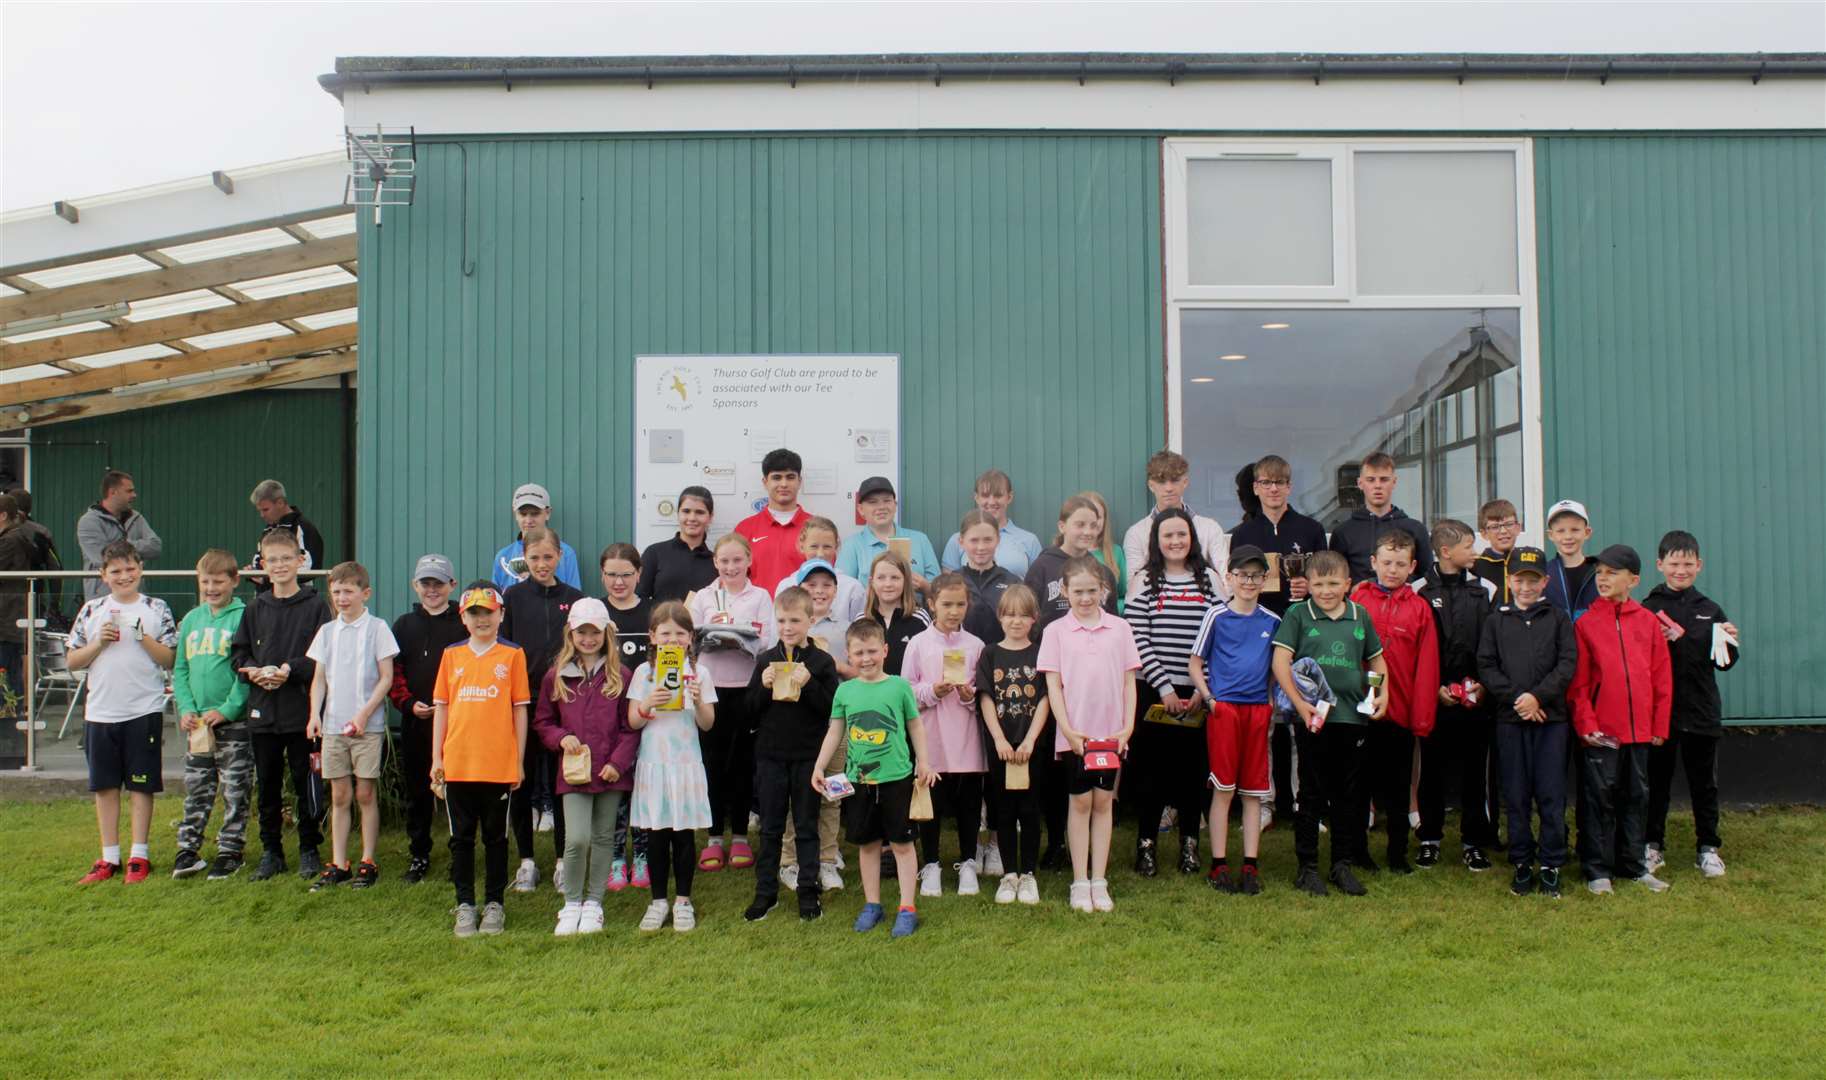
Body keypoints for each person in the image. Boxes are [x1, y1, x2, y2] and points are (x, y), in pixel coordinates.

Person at [1271, 550, 1388, 897]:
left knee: (1347, 795)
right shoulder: (1297, 614)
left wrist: (1379, 695)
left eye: (1333, 583)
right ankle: (1306, 867)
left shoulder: (1359, 615)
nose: (1325, 591)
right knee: (1311, 792)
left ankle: (1342, 864)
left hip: (1352, 718)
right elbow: (1280, 662)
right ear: (1308, 585)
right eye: (1318, 584)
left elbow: (1376, 661)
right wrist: (1299, 703)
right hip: (1314, 719)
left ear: (1347, 584)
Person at [813, 618, 934, 938]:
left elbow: (915, 726)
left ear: (885, 650)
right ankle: (872, 905)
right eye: (858, 653)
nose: (865, 659)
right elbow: (835, 731)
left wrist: (924, 761)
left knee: (902, 844)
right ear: (848, 655)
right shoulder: (846, 691)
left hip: (896, 779)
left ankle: (907, 907)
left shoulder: (899, 686)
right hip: (859, 782)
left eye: (871, 651)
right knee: (867, 845)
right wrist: (819, 766)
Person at [67, 539, 177, 884]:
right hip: (100, 711)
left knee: (141, 785)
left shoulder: (157, 608)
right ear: (103, 574)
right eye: (116, 571)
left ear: (141, 570)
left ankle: (138, 856)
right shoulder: (92, 610)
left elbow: (171, 659)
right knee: (105, 786)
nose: (124, 576)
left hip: (143, 709)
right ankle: (108, 857)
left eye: (131, 569)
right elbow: (72, 661)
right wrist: (98, 642)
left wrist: (143, 638)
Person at [1228, 454, 1328, 829]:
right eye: (1266, 483)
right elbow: (1238, 583)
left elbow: (1327, 582)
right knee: (1264, 719)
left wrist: (1309, 588)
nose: (1273, 489)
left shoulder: (1311, 528)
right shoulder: (1243, 533)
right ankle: (1264, 800)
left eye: (1280, 482)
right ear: (1256, 488)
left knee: (1305, 716)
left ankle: (1307, 802)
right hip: (1260, 632)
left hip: (1302, 632)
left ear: (1289, 486)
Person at [1569, 545, 1674, 896]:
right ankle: (1597, 870)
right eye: (1600, 573)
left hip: (1640, 732)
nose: (1603, 579)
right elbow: (1580, 684)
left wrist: (1659, 727)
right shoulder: (1585, 624)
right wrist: (1586, 725)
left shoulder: (1647, 621)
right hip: (1602, 733)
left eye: (1612, 573)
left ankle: (1633, 866)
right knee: (1599, 798)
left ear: (1634, 580)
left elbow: (1661, 678)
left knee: (1636, 798)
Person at [1039, 555, 1142, 914]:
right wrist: (1067, 730)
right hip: (1076, 735)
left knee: (1103, 802)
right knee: (1080, 802)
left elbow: (1130, 681)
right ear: (1065, 591)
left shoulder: (1121, 629)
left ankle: (1100, 879)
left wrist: (1127, 727)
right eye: (1078, 591)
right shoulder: (1055, 632)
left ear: (1104, 590)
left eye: (1092, 591)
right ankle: (1079, 880)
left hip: (1112, 734)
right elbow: (1053, 685)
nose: (1085, 598)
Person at [1124, 508, 1224, 879]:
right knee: (1151, 772)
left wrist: (1203, 686)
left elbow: (1219, 635)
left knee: (1192, 771)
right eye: (1168, 535)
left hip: (1199, 691)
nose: (1176, 541)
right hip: (1154, 689)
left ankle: (1189, 844)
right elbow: (1138, 637)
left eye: (1182, 534)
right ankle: (1146, 845)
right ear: (1157, 541)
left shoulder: (1210, 579)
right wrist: (1164, 687)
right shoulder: (1144, 580)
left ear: (1192, 538)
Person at [532, 598, 639, 936]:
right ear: (571, 633)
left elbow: (630, 728)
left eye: (595, 632)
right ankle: (572, 903)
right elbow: (543, 721)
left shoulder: (621, 675)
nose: (589, 639)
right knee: (577, 839)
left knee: (605, 837)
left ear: (606, 633)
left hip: (610, 772)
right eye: (582, 632)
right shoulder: (557, 676)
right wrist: (560, 739)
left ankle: (595, 903)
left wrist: (618, 764)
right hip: (574, 772)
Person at [1476, 546, 1578, 898]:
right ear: (1509, 580)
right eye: (1520, 579)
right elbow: (1487, 665)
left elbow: (1567, 664)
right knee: (1516, 794)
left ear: (1545, 582)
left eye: (1533, 581)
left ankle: (1550, 863)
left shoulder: (1559, 619)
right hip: (1511, 720)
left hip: (1551, 720)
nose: (1526, 587)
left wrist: (1539, 697)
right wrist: (1520, 699)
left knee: (1550, 794)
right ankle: (1521, 862)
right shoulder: (1497, 620)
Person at [230, 527, 331, 882]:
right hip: (263, 711)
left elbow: (323, 656)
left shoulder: (316, 606)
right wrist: (253, 672)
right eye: (272, 560)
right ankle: (271, 851)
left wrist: (291, 669)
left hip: (302, 712)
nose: (280, 565)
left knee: (306, 783)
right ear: (262, 564)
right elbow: (239, 654)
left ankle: (309, 848)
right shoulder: (255, 608)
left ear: (301, 560)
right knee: (268, 784)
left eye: (286, 558)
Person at [432, 583, 532, 937]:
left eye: (488, 613)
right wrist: (436, 758)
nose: (481, 620)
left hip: (498, 764)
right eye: (474, 613)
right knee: (461, 839)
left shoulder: (512, 655)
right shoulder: (452, 655)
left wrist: (518, 760)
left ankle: (494, 905)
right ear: (463, 617)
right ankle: (464, 904)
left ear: (501, 615)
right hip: (458, 762)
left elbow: (520, 711)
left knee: (495, 838)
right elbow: (442, 709)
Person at [1640, 530, 1740, 880]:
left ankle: (1708, 848)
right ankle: (1652, 846)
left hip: (1701, 711)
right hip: (1660, 714)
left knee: (1704, 784)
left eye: (1687, 564)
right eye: (1673, 563)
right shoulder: (1648, 608)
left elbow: (1724, 663)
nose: (1680, 570)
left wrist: (1729, 640)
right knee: (1656, 782)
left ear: (1699, 565)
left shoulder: (1710, 609)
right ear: (1660, 565)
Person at [743, 587, 840, 922]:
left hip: (807, 757)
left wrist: (810, 683)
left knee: (806, 825)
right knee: (770, 827)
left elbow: (831, 710)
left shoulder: (821, 662)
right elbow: (749, 712)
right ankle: (765, 893)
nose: (787, 626)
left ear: (810, 621)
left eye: (795, 620)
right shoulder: (764, 660)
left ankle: (807, 892)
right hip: (770, 756)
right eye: (782, 619)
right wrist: (763, 687)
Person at [1188, 545, 1281, 895]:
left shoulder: (1272, 622)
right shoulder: (1216, 616)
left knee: (1254, 791)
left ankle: (1250, 865)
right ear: (1229, 577)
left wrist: (1271, 700)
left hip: (1257, 711)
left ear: (1265, 579)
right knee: (1224, 787)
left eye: (1256, 575)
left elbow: (1278, 668)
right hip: (1225, 709)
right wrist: (1210, 698)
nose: (1249, 581)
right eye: (1242, 575)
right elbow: (1195, 662)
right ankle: (1219, 864)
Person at [304, 561, 399, 891]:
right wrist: (315, 714)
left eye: (348, 591)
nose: (342, 598)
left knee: (365, 792)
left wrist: (363, 714)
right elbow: (319, 679)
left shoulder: (377, 628)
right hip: (332, 728)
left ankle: (368, 860)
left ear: (364, 593)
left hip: (367, 727)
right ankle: (339, 861)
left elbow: (386, 678)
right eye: (336, 592)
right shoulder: (327, 632)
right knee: (340, 794)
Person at [686, 532, 778, 873]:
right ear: (715, 562)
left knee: (742, 763)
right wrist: (710, 639)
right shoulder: (704, 596)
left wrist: (743, 642)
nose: (730, 566)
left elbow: (767, 638)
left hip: (746, 687)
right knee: (712, 761)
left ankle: (739, 834)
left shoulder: (761, 596)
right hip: (710, 688)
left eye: (737, 560)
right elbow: (690, 638)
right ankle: (713, 837)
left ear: (749, 560)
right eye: (724, 561)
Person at [501, 527, 586, 893]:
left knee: (561, 782)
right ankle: (526, 861)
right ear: (525, 559)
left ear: (559, 557)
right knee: (520, 781)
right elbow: (505, 649)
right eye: (534, 558)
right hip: (522, 703)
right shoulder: (513, 598)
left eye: (548, 557)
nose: (541, 564)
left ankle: (563, 861)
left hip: (563, 703)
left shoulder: (575, 599)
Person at [1350, 531, 1440, 875]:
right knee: (1359, 786)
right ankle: (1357, 850)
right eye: (1386, 562)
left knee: (1399, 789)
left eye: (1401, 564)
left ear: (1413, 567)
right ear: (1373, 562)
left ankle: (1397, 853)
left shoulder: (1420, 610)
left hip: (1400, 713)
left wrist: (1421, 719)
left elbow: (1427, 668)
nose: (1392, 570)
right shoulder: (1358, 601)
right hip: (1360, 712)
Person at [627, 601, 719, 933]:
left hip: (685, 765)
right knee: (655, 834)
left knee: (682, 835)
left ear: (691, 637)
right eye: (665, 633)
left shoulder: (701, 673)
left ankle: (683, 900)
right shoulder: (643, 673)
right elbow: (633, 721)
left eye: (680, 633)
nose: (673, 639)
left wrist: (696, 700)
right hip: (654, 764)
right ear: (652, 637)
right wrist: (648, 704)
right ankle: (657, 901)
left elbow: (708, 724)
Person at [1416, 520, 1499, 872]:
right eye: (1469, 545)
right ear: (1446, 551)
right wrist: (1433, 688)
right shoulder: (1418, 589)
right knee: (1431, 771)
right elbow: (1418, 647)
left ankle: (1473, 842)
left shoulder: (1487, 588)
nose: (1475, 552)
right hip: (1433, 697)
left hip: (1476, 698)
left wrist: (1481, 683)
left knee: (1473, 772)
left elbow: (1494, 642)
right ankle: (1429, 839)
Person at [903, 573, 988, 898]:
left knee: (968, 804)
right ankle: (933, 864)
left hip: (966, 737)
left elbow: (983, 693)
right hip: (932, 737)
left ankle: (968, 862)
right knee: (932, 805)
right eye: (947, 604)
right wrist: (932, 690)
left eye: (960, 604)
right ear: (932, 605)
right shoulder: (919, 644)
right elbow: (907, 688)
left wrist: (969, 695)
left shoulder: (976, 645)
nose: (954, 611)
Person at [170, 549, 253, 880]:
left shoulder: (244, 617)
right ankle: (188, 849)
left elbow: (246, 670)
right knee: (197, 786)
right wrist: (187, 708)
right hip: (198, 723)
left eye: (218, 581)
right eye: (205, 582)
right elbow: (180, 670)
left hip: (233, 722)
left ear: (234, 581)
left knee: (235, 788)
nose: (211, 588)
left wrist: (229, 708)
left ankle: (230, 849)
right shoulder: (192, 619)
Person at [388, 554, 467, 885]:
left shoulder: (462, 623)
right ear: (415, 586)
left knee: (457, 792)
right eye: (425, 583)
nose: (432, 590)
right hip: (417, 720)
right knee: (418, 793)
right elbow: (394, 673)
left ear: (452, 585)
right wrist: (408, 704)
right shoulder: (404, 625)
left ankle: (458, 853)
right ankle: (419, 853)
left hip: (457, 723)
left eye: (438, 583)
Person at [779, 560, 854, 894]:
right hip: (800, 728)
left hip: (836, 722)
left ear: (836, 591)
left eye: (826, 584)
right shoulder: (787, 630)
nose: (819, 590)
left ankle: (827, 857)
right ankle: (790, 860)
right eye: (811, 584)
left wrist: (838, 666)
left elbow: (861, 669)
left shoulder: (847, 627)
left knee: (833, 794)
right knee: (798, 798)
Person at [977, 584, 1049, 905]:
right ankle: (1009, 875)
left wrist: (1031, 738)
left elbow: (1047, 697)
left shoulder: (1041, 653)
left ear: (1034, 618)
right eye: (1009, 614)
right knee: (1004, 810)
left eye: (1023, 615)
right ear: (1000, 617)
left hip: (1032, 746)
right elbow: (986, 697)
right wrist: (999, 739)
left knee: (1030, 810)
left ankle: (1029, 874)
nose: (1016, 621)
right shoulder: (990, 653)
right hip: (1001, 747)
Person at [598, 542, 652, 891]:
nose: (619, 582)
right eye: (612, 575)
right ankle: (616, 858)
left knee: (643, 790)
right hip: (606, 719)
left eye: (626, 575)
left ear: (639, 575)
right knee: (615, 790)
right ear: (602, 575)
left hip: (646, 716)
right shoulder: (594, 613)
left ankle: (643, 857)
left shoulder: (652, 612)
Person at [1120, 450, 1231, 585]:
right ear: (1151, 485)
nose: (1168, 488)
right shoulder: (1136, 533)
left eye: (1174, 480)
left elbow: (1227, 578)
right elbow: (1134, 584)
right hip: (1156, 603)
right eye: (1161, 481)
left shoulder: (1210, 528)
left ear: (1185, 482)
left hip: (1204, 602)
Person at [1326, 452, 1432, 583]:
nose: (1377, 486)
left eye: (1384, 479)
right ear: (1360, 483)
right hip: (1359, 602)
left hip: (1404, 601)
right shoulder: (1343, 532)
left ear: (1394, 482)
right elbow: (1335, 579)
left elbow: (1427, 577)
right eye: (1371, 480)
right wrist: (1353, 590)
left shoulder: (1416, 529)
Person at [1026, 495, 1119, 633]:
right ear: (1062, 526)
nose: (1087, 532)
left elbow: (1112, 621)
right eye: (1080, 525)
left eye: (1093, 525)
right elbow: (1027, 618)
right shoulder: (1041, 568)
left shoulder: (1103, 573)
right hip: (1053, 651)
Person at [836, 476, 941, 591]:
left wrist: (924, 585)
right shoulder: (852, 545)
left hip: (915, 608)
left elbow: (939, 591)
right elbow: (843, 592)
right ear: (861, 509)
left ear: (895, 505)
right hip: (869, 609)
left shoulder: (920, 539)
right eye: (873, 502)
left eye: (887, 501)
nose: (881, 507)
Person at [733, 448, 811, 593]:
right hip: (756, 614)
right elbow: (733, 578)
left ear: (799, 481)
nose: (784, 484)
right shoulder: (745, 528)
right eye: (776, 477)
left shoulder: (815, 527)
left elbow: (826, 577)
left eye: (790, 477)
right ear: (765, 482)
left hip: (802, 614)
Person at [940, 468, 1043, 576]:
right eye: (985, 496)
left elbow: (1037, 587)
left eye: (998, 496)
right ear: (976, 498)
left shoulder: (1029, 541)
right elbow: (949, 587)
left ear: (1009, 497)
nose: (991, 502)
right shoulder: (958, 541)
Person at [77, 470, 162, 600]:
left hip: (136, 597)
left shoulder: (136, 517)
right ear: (113, 492)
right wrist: (133, 551)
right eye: (129, 491)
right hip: (101, 599)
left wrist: (122, 546)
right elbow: (101, 558)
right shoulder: (88, 521)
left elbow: (155, 547)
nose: (134, 495)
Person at [775, 515, 867, 623]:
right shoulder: (786, 586)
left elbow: (861, 632)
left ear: (836, 547)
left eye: (827, 547)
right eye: (814, 546)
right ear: (801, 546)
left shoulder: (853, 588)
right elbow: (776, 632)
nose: (820, 554)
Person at [490, 483, 583, 591]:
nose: (529, 521)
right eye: (523, 514)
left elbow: (575, 600)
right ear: (515, 514)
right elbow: (495, 601)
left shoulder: (566, 553)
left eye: (535, 514)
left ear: (547, 513)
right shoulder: (503, 557)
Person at [636, 486, 717, 603]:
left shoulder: (716, 562)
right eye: (686, 511)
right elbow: (639, 599)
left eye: (700, 512)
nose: (692, 518)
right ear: (678, 513)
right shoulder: (654, 553)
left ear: (710, 517)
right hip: (660, 622)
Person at [955, 510, 1020, 646]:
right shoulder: (951, 582)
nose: (981, 547)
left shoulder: (1013, 583)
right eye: (974, 540)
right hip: (958, 660)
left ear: (998, 540)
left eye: (988, 540)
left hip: (999, 661)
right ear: (961, 541)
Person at [246, 479, 326, 588]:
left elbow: (309, 568)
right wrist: (253, 572)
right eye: (259, 510)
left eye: (265, 509)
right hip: (266, 599)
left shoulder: (303, 527)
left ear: (280, 503)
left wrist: (266, 580)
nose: (262, 515)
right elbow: (259, 560)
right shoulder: (268, 529)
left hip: (297, 599)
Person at [5, 488, 66, 630]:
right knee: (30, 642)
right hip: (32, 597)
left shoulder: (6, 531)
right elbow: (55, 569)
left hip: (7, 599)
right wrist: (54, 605)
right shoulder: (40, 532)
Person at [862, 550, 930, 675]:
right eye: (881, 578)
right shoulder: (862, 620)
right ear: (872, 582)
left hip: (909, 693)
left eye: (895, 578)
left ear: (906, 581)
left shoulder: (920, 618)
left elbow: (929, 661)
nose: (888, 584)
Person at [0, 495, 36, 700]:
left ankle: (9, 724)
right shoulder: (19, 537)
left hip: (6, 619)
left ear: (3, 515)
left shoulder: (10, 541)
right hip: (11, 618)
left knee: (7, 674)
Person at [1542, 500, 1598, 622]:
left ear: (1587, 532)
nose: (1568, 537)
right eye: (1560, 531)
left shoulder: (1599, 573)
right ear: (1550, 535)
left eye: (1575, 530)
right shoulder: (1542, 574)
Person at [1077, 490, 1129, 612]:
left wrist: (1109, 610)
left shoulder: (1115, 552)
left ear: (1105, 519)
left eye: (1098, 517)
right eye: (1086, 517)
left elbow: (1125, 595)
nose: (1093, 521)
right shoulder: (1067, 553)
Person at [1472, 499, 1523, 604]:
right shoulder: (1476, 567)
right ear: (1484, 533)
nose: (1503, 531)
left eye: (1509, 524)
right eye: (1495, 527)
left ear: (1518, 528)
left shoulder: (1527, 561)